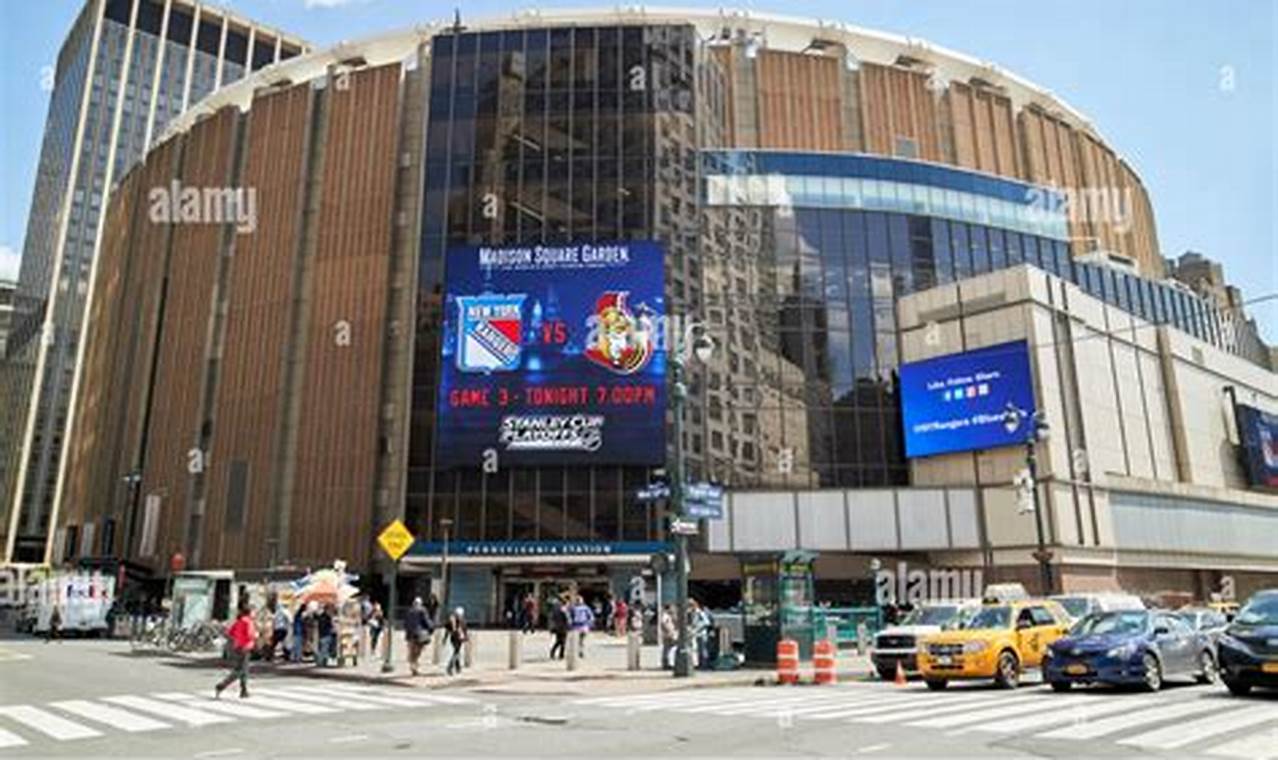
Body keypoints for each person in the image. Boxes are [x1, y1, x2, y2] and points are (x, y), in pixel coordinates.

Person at [216, 600, 256, 699]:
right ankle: (221, 685)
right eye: (253, 611)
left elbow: (230, 633)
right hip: (245, 648)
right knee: (240, 671)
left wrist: (237, 638)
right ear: (249, 612)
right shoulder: (248, 621)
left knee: (244, 670)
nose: (254, 613)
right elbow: (250, 635)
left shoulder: (239, 621)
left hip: (238, 647)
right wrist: (256, 635)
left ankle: (244, 691)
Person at [404, 597, 433, 676]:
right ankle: (414, 666)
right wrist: (431, 627)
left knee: (412, 650)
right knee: (418, 651)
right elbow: (426, 621)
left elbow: (405, 623)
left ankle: (413, 665)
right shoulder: (422, 610)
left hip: (410, 634)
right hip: (419, 634)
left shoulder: (409, 611)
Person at [690, 600, 713, 669]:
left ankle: (705, 664)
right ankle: (700, 663)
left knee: (703, 649)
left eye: (691, 606)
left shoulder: (700, 613)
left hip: (702, 633)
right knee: (698, 649)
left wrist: (698, 627)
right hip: (697, 634)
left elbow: (707, 622)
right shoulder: (693, 613)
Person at [445, 607, 468, 676]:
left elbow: (447, 630)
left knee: (456, 652)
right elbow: (464, 630)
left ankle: (458, 668)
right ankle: (450, 667)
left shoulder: (451, 620)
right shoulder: (462, 621)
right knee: (456, 653)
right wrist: (466, 637)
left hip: (453, 638)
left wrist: (445, 639)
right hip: (459, 638)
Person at [660, 604, 677, 669]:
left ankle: (667, 662)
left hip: (669, 634)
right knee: (666, 649)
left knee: (669, 649)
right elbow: (663, 623)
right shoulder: (665, 615)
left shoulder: (668, 615)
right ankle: (665, 663)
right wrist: (668, 631)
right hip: (667, 634)